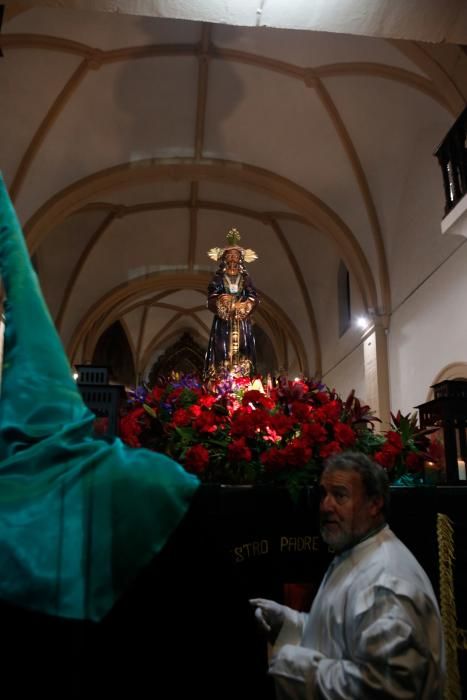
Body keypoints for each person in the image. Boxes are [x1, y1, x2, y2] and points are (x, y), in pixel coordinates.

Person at [0, 175, 268, 698]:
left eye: (236, 259)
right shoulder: (148, 487)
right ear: (66, 393)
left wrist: (240, 307)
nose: (233, 263)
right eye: (230, 258)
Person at [250, 451, 445, 699]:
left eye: (340, 495)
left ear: (374, 504)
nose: (326, 506)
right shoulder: (357, 551)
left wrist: (292, 665)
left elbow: (387, 688)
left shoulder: (385, 582)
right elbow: (345, 635)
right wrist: (289, 624)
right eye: (324, 494)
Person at [204, 227, 259, 379]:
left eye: (236, 255)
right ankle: (221, 375)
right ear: (224, 258)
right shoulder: (218, 278)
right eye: (230, 255)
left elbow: (254, 295)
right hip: (224, 320)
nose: (233, 258)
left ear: (240, 258)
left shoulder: (246, 278)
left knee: (243, 348)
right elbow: (212, 295)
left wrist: (247, 303)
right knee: (222, 348)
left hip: (241, 320)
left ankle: (243, 376)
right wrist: (222, 299)